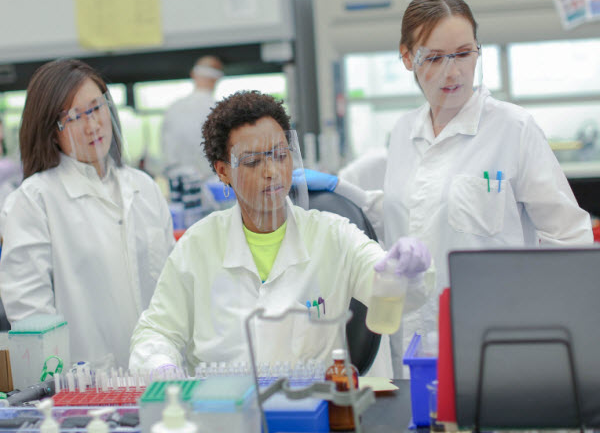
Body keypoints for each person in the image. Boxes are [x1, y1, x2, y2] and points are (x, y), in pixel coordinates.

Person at [302, 0, 593, 377]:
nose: (452, 72)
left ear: (477, 51)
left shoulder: (513, 128)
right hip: (415, 343)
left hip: (498, 342)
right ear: (407, 58)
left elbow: (570, 238)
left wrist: (547, 327)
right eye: (434, 58)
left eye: (463, 53)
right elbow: (407, 217)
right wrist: (341, 189)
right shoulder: (404, 131)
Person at [129, 91, 433, 375]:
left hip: (315, 412)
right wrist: (160, 367)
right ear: (223, 171)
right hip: (226, 413)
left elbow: (391, 291)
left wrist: (404, 272)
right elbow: (157, 331)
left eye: (279, 155)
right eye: (253, 161)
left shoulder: (333, 234)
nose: (271, 171)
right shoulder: (198, 245)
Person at [0, 59, 175, 369]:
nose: (93, 125)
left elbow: (172, 287)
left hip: (157, 376)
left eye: (96, 108)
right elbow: (31, 317)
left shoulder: (143, 188)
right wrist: (62, 386)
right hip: (83, 392)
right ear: (51, 131)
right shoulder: (33, 202)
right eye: (74, 117)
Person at [161, 55, 224, 179]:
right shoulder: (219, 110)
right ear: (216, 79)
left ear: (193, 74)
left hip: (178, 182)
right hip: (211, 181)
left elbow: (166, 150)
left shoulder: (173, 109)